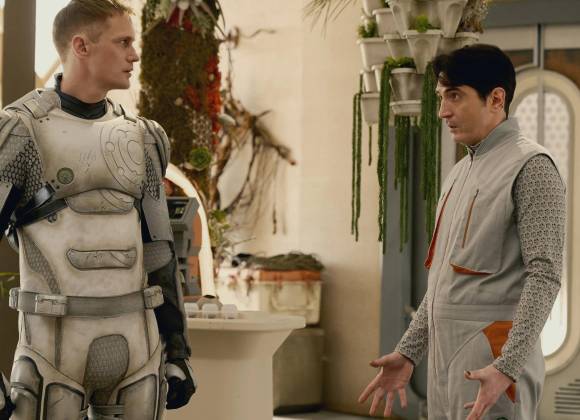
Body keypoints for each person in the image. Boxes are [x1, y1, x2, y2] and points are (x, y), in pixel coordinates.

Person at [0, 1, 196, 418]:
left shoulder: (142, 138)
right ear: (81, 46)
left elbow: (158, 251)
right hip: (51, 357)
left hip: (138, 355)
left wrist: (177, 350)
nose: (134, 55)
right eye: (123, 42)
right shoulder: (22, 131)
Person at [359, 44, 566, 419]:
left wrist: (507, 366)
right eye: (441, 97)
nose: (442, 111)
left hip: (494, 360)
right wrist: (409, 352)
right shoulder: (459, 173)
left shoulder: (533, 166)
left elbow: (546, 276)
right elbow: (444, 281)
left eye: (455, 95)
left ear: (496, 98)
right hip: (446, 359)